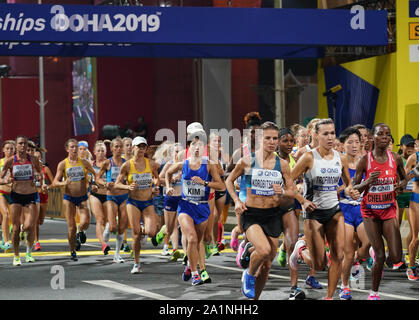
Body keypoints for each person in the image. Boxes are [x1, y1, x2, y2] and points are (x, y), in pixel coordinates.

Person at [226, 121, 297, 300]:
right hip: (252, 214)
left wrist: (283, 192)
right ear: (259, 139)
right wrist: (236, 201)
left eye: (275, 138)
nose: (272, 142)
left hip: (273, 215)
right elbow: (229, 181)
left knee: (266, 265)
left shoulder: (282, 165)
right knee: (264, 250)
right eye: (268, 138)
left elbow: (291, 191)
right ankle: (248, 274)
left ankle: (255, 299)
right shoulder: (248, 161)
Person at [290, 118, 359, 300]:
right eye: (325, 134)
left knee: (337, 256)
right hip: (313, 214)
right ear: (316, 135)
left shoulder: (341, 158)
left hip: (335, 212)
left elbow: (347, 183)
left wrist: (351, 191)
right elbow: (287, 181)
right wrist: (302, 200)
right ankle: (301, 249)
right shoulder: (309, 157)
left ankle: (329, 297)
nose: (330, 137)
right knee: (320, 264)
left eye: (332, 133)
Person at [353, 123, 409, 299]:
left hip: (389, 210)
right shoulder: (365, 160)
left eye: (388, 134)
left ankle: (376, 255)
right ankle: (374, 293)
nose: (385, 137)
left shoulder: (396, 159)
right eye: (381, 134)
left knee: (395, 257)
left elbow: (404, 179)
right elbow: (356, 188)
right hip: (370, 212)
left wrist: (400, 186)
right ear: (373, 137)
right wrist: (367, 181)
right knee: (379, 255)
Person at [166, 134, 225, 286]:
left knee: (198, 241)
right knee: (191, 238)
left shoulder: (210, 165)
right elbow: (167, 173)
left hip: (203, 207)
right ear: (189, 148)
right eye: (193, 144)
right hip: (186, 205)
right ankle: (195, 274)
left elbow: (221, 186)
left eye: (200, 145)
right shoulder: (182, 164)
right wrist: (168, 187)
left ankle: (189, 266)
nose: (196, 148)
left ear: (204, 148)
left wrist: (205, 183)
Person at [276, 128, 322, 296]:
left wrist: (301, 192)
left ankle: (294, 288)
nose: (289, 144)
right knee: (266, 252)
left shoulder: (294, 162)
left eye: (291, 141)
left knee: (291, 245)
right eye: (285, 141)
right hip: (268, 209)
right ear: (277, 142)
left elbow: (295, 184)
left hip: (288, 206)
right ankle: (250, 261)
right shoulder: (270, 160)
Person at [114, 136, 161, 274]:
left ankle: (143, 230)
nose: (140, 149)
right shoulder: (127, 165)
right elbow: (117, 184)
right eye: (138, 146)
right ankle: (136, 263)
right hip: (133, 202)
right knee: (135, 234)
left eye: (143, 147)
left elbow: (156, 178)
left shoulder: (151, 164)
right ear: (133, 148)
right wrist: (128, 188)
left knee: (152, 232)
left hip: (147, 202)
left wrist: (156, 188)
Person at [337, 127, 371, 300]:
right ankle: (344, 287)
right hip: (344, 210)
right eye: (349, 142)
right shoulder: (337, 162)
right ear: (342, 145)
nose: (354, 145)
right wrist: (346, 191)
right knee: (347, 253)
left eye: (357, 142)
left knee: (369, 243)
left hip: (361, 209)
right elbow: (331, 189)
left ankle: (358, 258)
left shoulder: (365, 162)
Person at [0, 136, 43, 266]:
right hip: (16, 196)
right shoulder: (10, 161)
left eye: (24, 144)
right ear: (16, 146)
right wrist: (6, 181)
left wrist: (38, 178)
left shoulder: (34, 160)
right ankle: (17, 255)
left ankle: (29, 253)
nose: (23, 146)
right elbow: (0, 178)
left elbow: (41, 176)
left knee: (30, 226)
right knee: (16, 228)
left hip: (31, 195)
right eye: (20, 144)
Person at [52, 138, 97, 261]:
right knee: (71, 227)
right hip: (69, 198)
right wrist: (64, 183)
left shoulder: (84, 163)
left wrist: (95, 183)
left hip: (82, 197)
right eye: (72, 147)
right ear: (67, 149)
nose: (75, 149)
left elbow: (95, 175)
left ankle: (80, 231)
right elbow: (55, 182)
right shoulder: (63, 164)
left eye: (76, 147)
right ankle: (72, 250)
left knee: (86, 222)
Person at [97, 138, 129, 263]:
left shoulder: (126, 163)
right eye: (116, 147)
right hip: (111, 196)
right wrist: (105, 184)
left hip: (124, 196)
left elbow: (130, 178)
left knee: (122, 228)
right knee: (113, 227)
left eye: (120, 147)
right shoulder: (107, 163)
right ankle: (108, 227)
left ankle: (117, 254)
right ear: (111, 149)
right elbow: (97, 178)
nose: (118, 149)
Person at [89, 141, 110, 255]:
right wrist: (91, 185)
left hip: (107, 195)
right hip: (95, 195)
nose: (101, 153)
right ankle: (103, 244)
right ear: (94, 152)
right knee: (100, 219)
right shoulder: (91, 165)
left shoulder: (110, 164)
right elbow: (87, 179)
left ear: (106, 152)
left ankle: (104, 238)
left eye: (103, 150)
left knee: (107, 221)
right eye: (98, 151)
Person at [33, 148, 54, 252]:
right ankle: (36, 242)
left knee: (41, 221)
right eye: (35, 157)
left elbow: (53, 183)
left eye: (39, 157)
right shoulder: (30, 169)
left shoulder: (46, 169)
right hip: (33, 195)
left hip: (43, 196)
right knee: (36, 221)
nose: (38, 159)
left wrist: (48, 187)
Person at [405, 144, 419, 280]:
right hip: (416, 200)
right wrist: (414, 172)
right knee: (415, 237)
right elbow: (403, 178)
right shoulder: (413, 158)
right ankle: (411, 267)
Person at [0, 140, 15, 252]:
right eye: (7, 148)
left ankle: (4, 237)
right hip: (2, 192)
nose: (9, 151)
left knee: (15, 219)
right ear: (3, 150)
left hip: (15, 193)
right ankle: (6, 242)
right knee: (6, 214)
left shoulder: (18, 163)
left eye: (11, 148)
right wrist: (5, 181)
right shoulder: (0, 162)